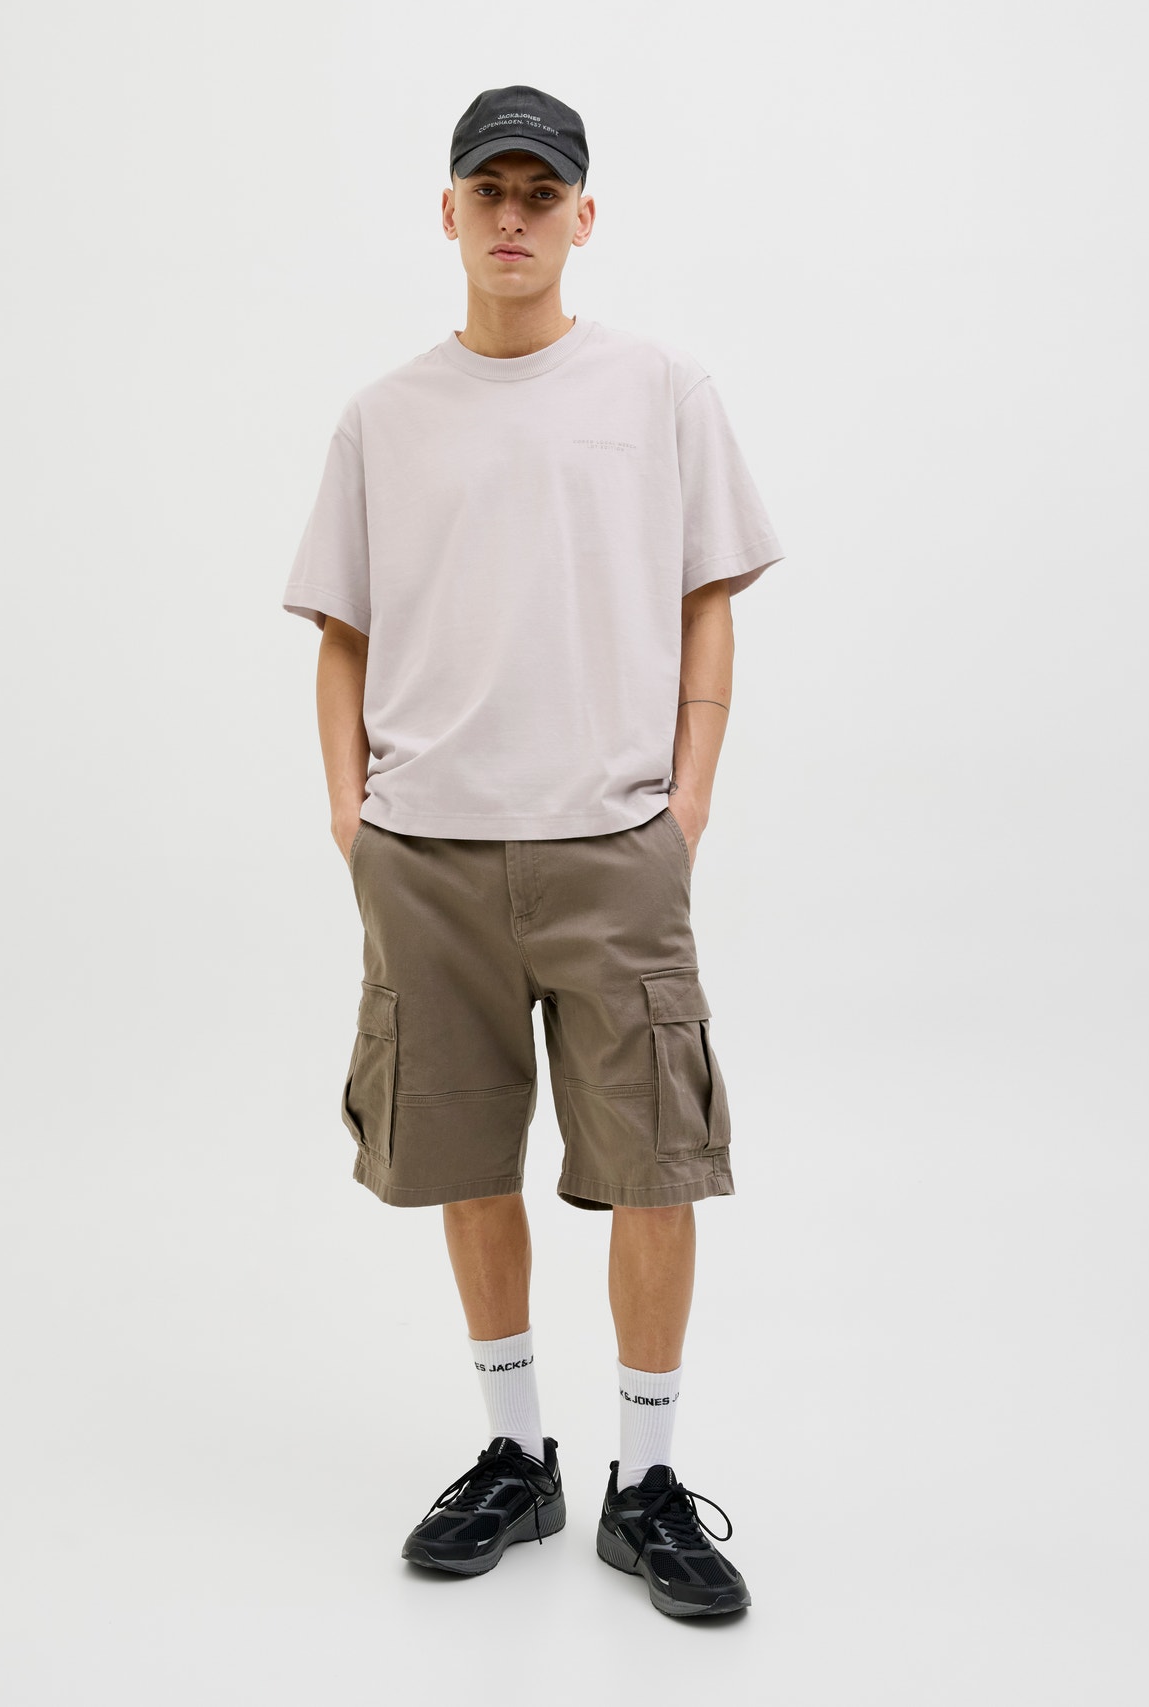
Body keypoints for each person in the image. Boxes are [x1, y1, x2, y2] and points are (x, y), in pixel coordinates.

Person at [281, 84, 785, 1619]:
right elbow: (343, 630)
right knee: (464, 1156)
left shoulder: (659, 389)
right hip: (427, 855)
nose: (513, 216)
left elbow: (709, 597)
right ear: (448, 214)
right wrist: (351, 816)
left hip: (615, 843)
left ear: (583, 215)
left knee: (655, 1163)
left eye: (540, 192)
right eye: (488, 191)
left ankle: (648, 1485)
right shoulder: (383, 417)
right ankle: (517, 1456)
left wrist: (688, 801)